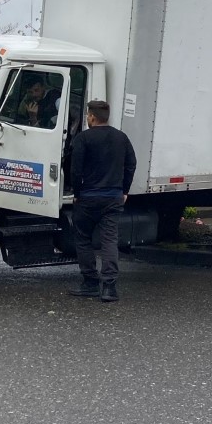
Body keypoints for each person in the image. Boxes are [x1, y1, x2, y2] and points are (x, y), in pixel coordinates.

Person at [67, 99, 137, 303]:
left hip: (88, 197)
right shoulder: (121, 138)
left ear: (92, 117)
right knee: (109, 241)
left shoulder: (83, 138)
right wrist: (124, 190)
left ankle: (90, 282)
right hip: (113, 198)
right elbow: (131, 164)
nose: (87, 117)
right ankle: (109, 288)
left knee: (83, 239)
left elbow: (75, 168)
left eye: (88, 115)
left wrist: (77, 192)